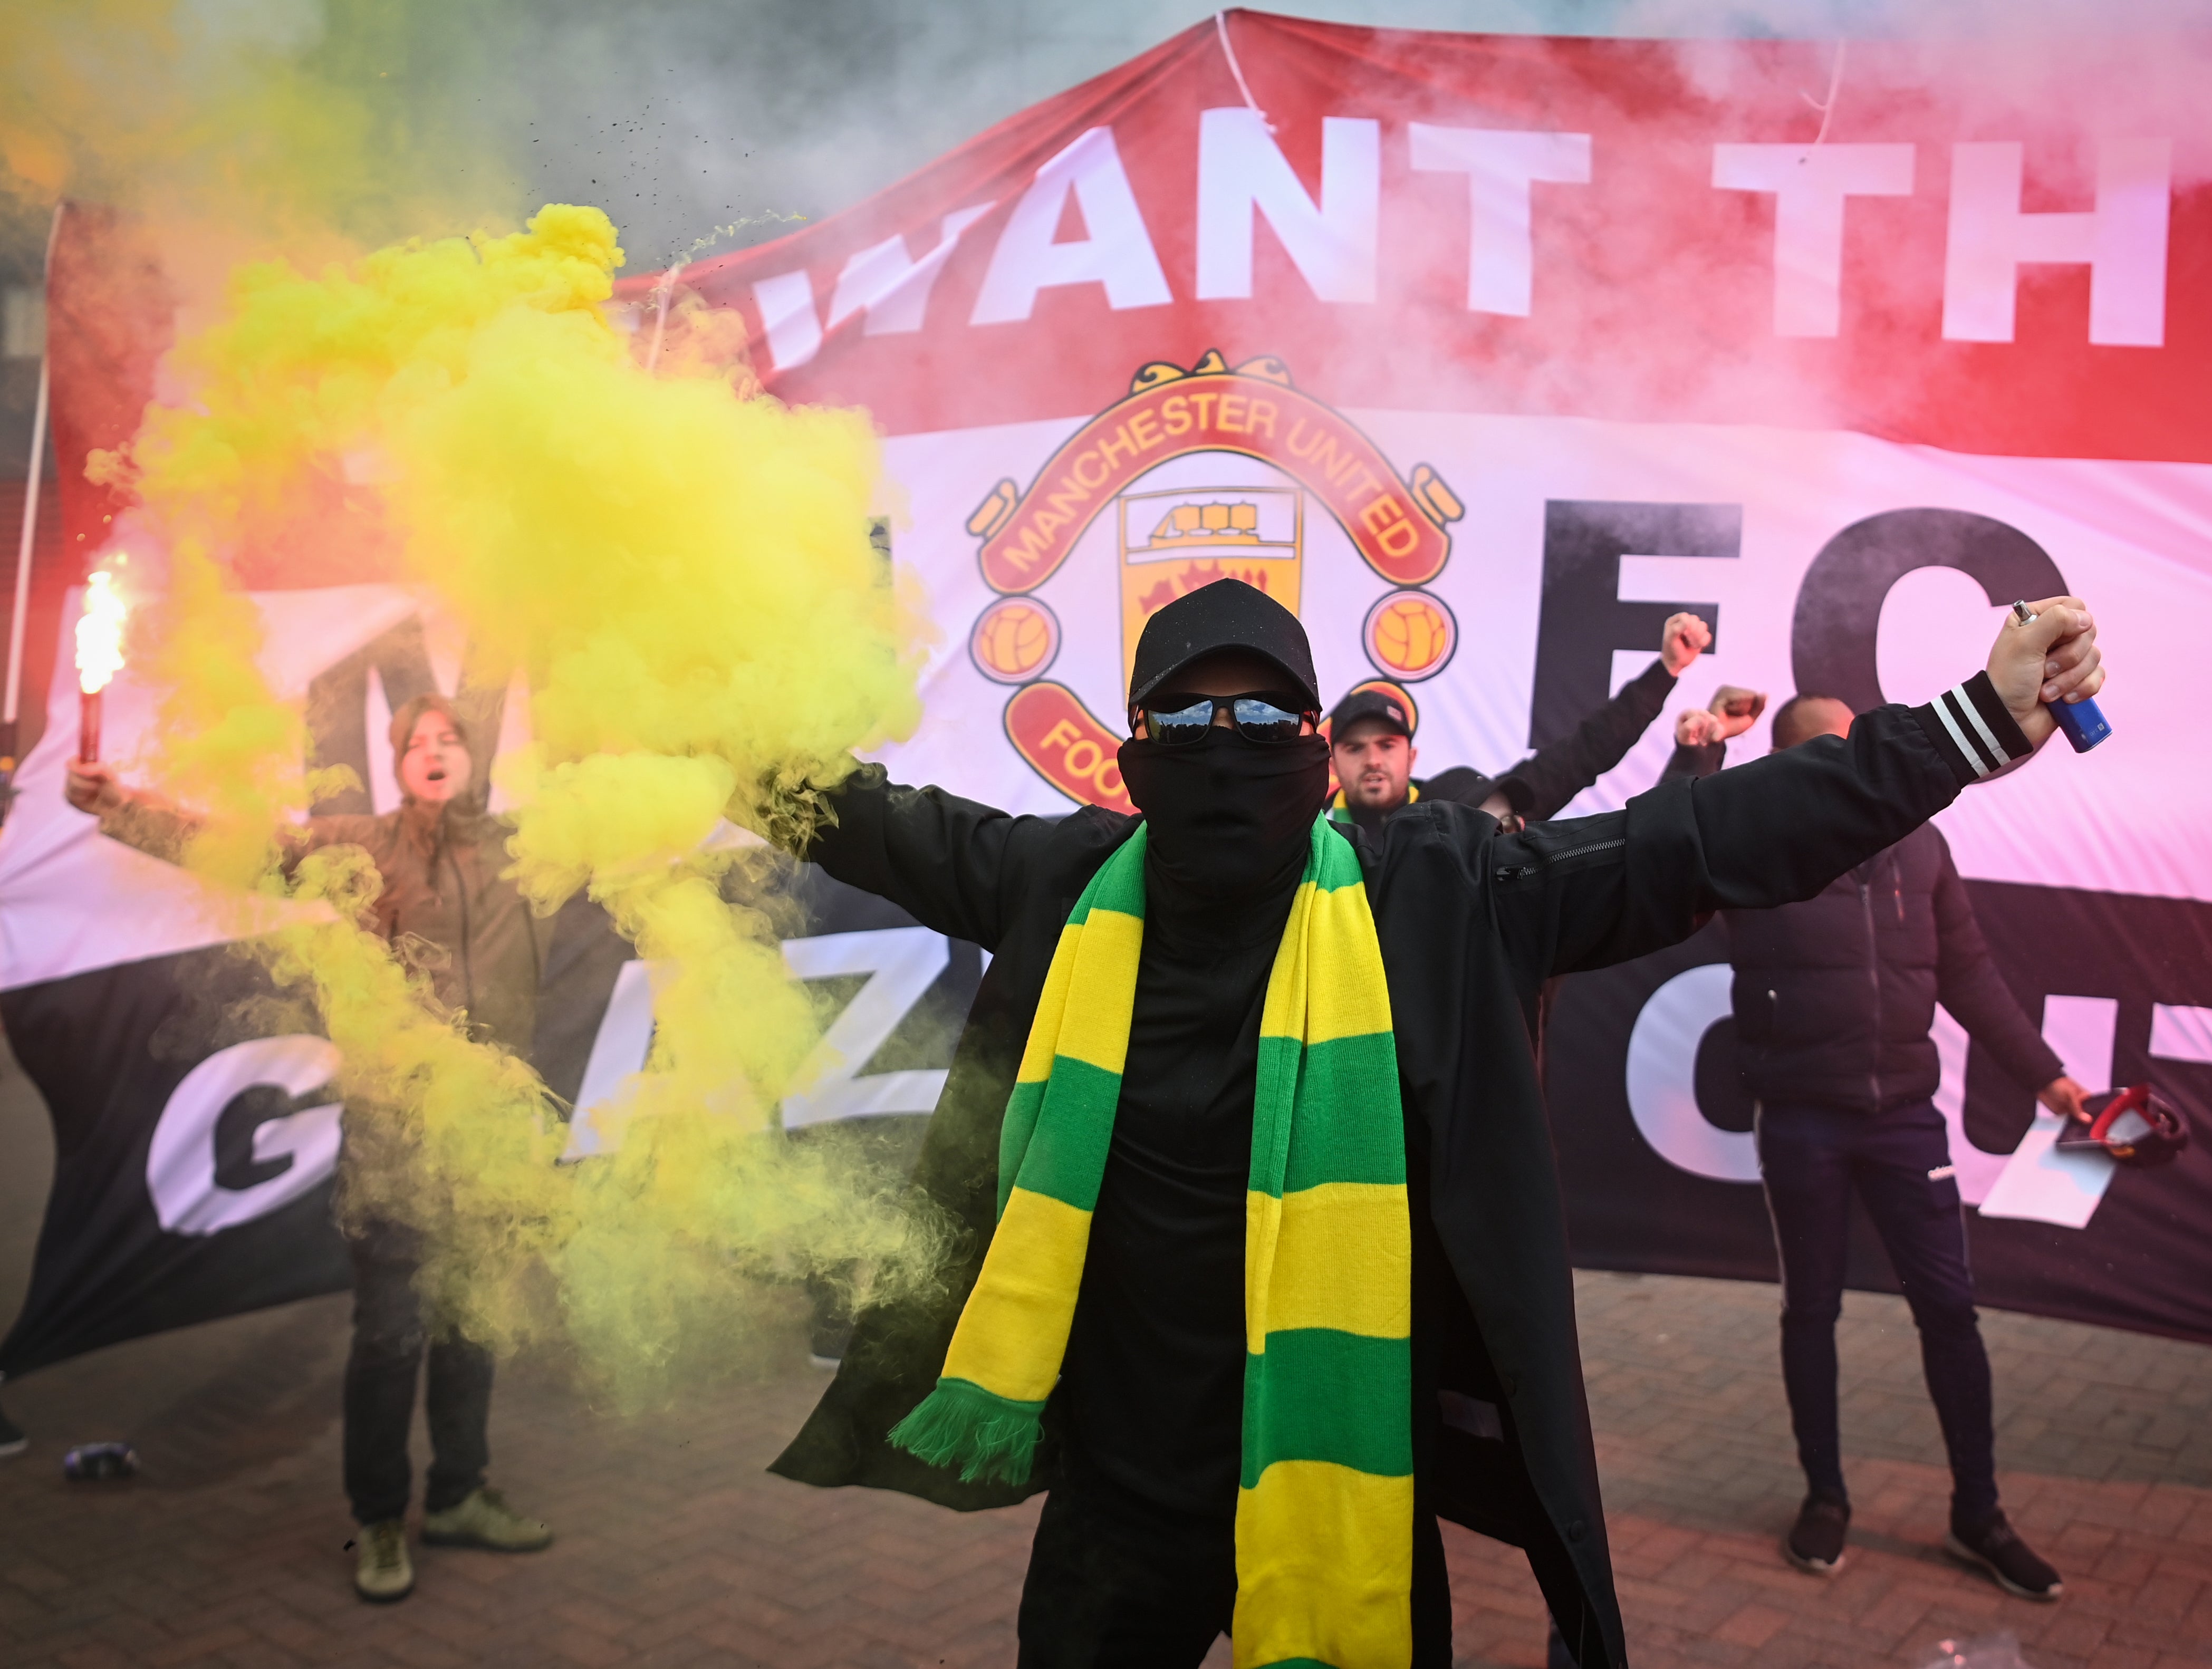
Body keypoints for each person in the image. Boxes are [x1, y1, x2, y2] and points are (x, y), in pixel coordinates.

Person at [764, 576, 2103, 1666]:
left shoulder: (1436, 887)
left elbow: (1694, 844)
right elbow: (863, 820)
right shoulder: (1061, 882)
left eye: (1262, 721)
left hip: (1351, 1460)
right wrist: (672, 731)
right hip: (1125, 1493)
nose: (1225, 753)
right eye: (1189, 724)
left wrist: (1972, 720)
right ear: (1133, 752)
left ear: (1312, 746)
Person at [67, 696, 554, 1604]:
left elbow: (634, 806)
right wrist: (115, 805)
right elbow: (238, 848)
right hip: (395, 1140)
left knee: (470, 1323)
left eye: (451, 738)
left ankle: (457, 1495)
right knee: (388, 1336)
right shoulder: (362, 846)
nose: (435, 751)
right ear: (397, 762)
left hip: (488, 1135)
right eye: (417, 742)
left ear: (477, 755)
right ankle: (378, 1520)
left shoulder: (524, 848)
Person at [1663, 690, 2091, 1602]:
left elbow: (1968, 976)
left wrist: (2048, 1077)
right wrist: (1700, 756)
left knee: (1949, 1311)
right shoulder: (1751, 851)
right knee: (1809, 1311)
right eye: (1827, 755)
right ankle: (1823, 1499)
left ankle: (1978, 1516)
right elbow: (1668, 860)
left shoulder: (1918, 845)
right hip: (1800, 1118)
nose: (1850, 770)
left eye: (1852, 750)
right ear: (1783, 772)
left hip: (1904, 1116)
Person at [1333, 612, 1730, 842]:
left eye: (1387, 744)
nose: (1373, 760)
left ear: (1411, 755)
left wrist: (1666, 670)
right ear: (1333, 760)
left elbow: (1582, 753)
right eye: (1354, 747)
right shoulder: (1312, 835)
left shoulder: (1460, 810)